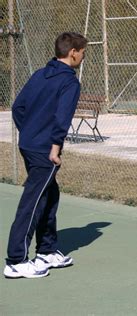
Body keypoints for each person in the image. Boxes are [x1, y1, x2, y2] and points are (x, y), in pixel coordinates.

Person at [4, 32, 88, 278]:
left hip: (29, 145)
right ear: (73, 53)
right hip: (44, 151)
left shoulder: (39, 74)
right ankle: (16, 261)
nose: (83, 57)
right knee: (33, 201)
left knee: (50, 194)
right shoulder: (70, 82)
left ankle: (47, 250)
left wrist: (29, 132)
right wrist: (54, 147)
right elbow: (63, 118)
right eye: (82, 53)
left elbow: (18, 107)